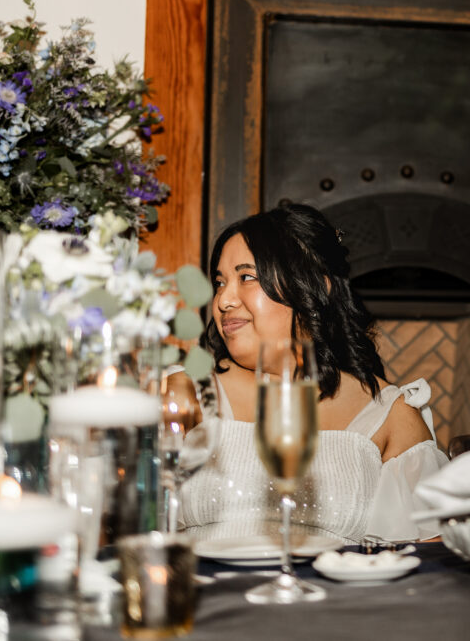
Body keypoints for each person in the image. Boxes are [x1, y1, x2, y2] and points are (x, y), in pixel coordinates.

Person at [178, 204, 447, 543]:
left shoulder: (390, 414)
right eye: (220, 282)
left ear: (313, 287)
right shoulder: (188, 391)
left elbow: (429, 558)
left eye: (246, 277)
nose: (224, 300)